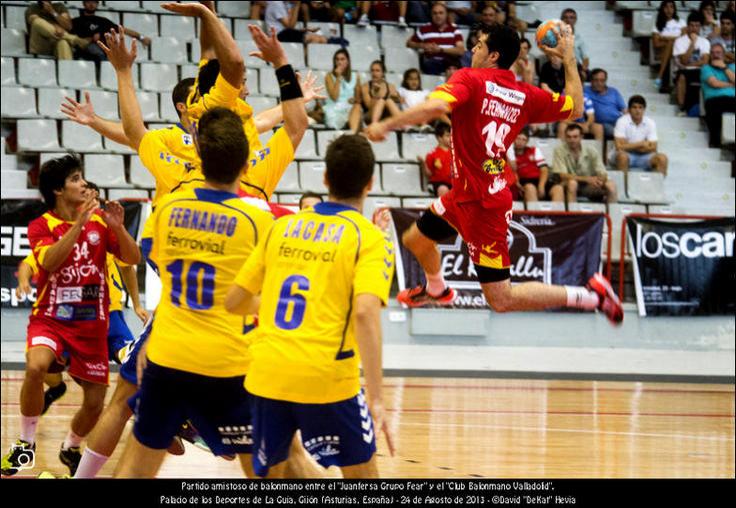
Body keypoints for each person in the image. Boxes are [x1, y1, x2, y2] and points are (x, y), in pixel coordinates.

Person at [365, 22, 623, 323]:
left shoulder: (470, 80)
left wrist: (385, 125)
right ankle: (437, 290)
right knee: (415, 239)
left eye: (480, 44)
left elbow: (434, 108)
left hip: (485, 208)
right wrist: (567, 59)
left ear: (493, 56)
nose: (474, 47)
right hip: (466, 191)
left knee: (501, 299)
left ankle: (592, 296)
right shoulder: (524, 94)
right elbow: (576, 107)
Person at [112, 106, 274, 479]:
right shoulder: (259, 220)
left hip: (168, 355)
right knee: (260, 470)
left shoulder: (167, 208)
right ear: (248, 161)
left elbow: (163, 274)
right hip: (229, 363)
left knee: (136, 467)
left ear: (197, 153)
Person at [224, 134, 396, 478]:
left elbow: (235, 301)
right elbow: (364, 313)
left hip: (267, 373)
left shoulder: (282, 226)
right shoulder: (369, 237)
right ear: (370, 183)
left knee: (277, 474)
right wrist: (376, 397)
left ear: (325, 179)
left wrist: (269, 303)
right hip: (328, 378)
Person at [1, 155, 140, 477]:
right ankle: (25, 443)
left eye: (82, 177)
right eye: (76, 179)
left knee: (95, 404)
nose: (83, 184)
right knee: (36, 367)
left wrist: (118, 228)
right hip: (51, 318)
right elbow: (49, 261)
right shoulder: (41, 226)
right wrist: (78, 224)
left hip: (92, 324)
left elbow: (132, 258)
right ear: (58, 190)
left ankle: (71, 446)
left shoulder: (102, 223)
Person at [553, 124, 617, 204]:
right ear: (565, 138)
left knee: (611, 185)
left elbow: (603, 173)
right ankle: (573, 215)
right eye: (569, 137)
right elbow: (563, 176)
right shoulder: (559, 150)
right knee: (572, 183)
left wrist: (600, 180)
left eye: (575, 137)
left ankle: (612, 215)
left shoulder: (591, 150)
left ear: (581, 137)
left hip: (588, 186)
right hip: (567, 185)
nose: (572, 140)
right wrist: (587, 179)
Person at [71, 0, 150, 62]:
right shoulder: (76, 21)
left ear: (97, 4)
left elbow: (122, 30)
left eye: (94, 2)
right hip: (84, 49)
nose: (91, 4)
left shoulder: (102, 21)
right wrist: (91, 38)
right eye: (89, 2)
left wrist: (141, 37)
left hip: (103, 50)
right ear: (84, 3)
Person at [609, 95, 668, 176]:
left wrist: (628, 146)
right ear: (629, 109)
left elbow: (653, 147)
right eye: (634, 107)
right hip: (625, 155)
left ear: (644, 110)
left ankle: (655, 188)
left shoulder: (650, 122)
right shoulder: (621, 121)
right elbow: (619, 147)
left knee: (662, 158)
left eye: (640, 107)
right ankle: (624, 188)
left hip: (644, 156)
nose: (638, 110)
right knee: (622, 157)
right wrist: (641, 144)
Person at [406, 3, 465, 75]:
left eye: (441, 13)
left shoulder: (454, 29)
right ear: (431, 15)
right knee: (429, 64)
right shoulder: (424, 29)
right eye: (435, 13)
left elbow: (460, 50)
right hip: (432, 63)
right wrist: (423, 45)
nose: (438, 16)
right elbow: (409, 43)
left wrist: (440, 50)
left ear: (446, 14)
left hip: (450, 63)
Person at [507, 128, 560, 203]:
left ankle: (557, 215)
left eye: (524, 140)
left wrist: (541, 186)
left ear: (527, 142)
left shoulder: (534, 150)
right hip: (524, 181)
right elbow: (512, 172)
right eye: (518, 138)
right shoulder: (510, 154)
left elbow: (544, 169)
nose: (520, 142)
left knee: (558, 189)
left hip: (540, 180)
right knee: (530, 188)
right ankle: (534, 214)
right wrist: (517, 183)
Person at [673, 11, 710, 114]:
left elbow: (705, 61)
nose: (694, 28)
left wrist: (689, 64)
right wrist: (692, 43)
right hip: (683, 71)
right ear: (688, 26)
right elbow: (683, 61)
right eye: (692, 25)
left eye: (697, 26)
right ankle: (681, 108)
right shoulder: (679, 41)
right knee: (682, 77)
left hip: (699, 71)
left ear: (700, 27)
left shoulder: (705, 42)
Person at [700, 42, 736, 147]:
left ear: (724, 55)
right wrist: (731, 84)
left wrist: (724, 67)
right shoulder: (706, 68)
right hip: (714, 99)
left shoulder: (731, 67)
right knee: (715, 109)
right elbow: (714, 83)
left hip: (732, 99)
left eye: (718, 53)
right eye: (713, 53)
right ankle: (715, 143)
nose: (715, 55)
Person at [324, 48, 362, 131]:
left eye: (342, 59)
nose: (339, 62)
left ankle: (353, 132)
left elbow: (358, 100)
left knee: (357, 111)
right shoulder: (329, 76)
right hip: (335, 110)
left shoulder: (356, 76)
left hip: (350, 109)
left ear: (348, 61)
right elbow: (334, 97)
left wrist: (354, 100)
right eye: (337, 59)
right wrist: (338, 77)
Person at [652, 0, 686, 91]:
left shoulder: (681, 22)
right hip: (663, 51)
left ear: (674, 9)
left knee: (670, 44)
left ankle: (660, 76)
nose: (669, 10)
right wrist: (672, 40)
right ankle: (663, 79)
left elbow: (683, 38)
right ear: (662, 9)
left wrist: (664, 38)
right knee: (670, 45)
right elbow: (656, 43)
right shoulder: (658, 25)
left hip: (680, 49)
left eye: (671, 7)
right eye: (666, 7)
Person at [585, 68, 626, 139]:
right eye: (596, 80)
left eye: (602, 80)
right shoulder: (585, 91)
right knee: (615, 132)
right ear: (591, 81)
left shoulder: (613, 91)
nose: (599, 83)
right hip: (602, 123)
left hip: (618, 121)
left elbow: (624, 110)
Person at [361, 60, 401, 126]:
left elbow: (399, 100)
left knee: (388, 100)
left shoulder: (390, 86)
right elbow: (368, 106)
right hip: (370, 116)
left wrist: (397, 98)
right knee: (382, 100)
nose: (374, 73)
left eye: (377, 71)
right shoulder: (366, 86)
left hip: (386, 117)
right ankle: (374, 126)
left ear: (383, 73)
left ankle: (404, 125)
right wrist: (375, 94)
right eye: (372, 70)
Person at [419, 121, 453, 197]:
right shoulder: (432, 154)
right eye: (447, 136)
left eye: (451, 135)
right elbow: (429, 174)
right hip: (439, 183)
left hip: (454, 183)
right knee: (443, 189)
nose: (451, 138)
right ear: (439, 138)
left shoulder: (455, 153)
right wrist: (423, 163)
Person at [560, 8, 590, 80]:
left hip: (574, 66)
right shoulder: (555, 35)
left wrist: (583, 70)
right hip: (559, 66)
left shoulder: (579, 38)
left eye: (571, 18)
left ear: (575, 20)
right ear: (561, 20)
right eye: (565, 17)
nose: (568, 20)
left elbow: (585, 58)